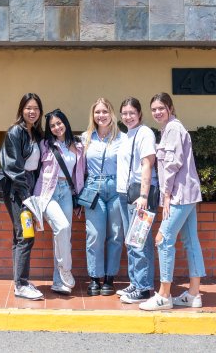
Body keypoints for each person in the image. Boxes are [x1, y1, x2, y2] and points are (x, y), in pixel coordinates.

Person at [140, 92, 206, 311]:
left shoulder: (173, 129)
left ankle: (164, 295)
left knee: (163, 239)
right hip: (187, 194)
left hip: (178, 195)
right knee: (190, 241)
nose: (157, 112)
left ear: (170, 108)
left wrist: (166, 196)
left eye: (161, 108)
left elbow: (172, 164)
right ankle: (194, 294)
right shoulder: (170, 128)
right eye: (154, 109)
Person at [34, 109, 85, 295]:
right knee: (62, 227)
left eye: (59, 123)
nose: (57, 127)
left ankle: (59, 282)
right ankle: (65, 269)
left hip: (67, 192)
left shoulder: (78, 145)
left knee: (63, 236)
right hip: (48, 193)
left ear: (66, 122)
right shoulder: (45, 144)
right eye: (53, 125)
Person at [0, 93, 44, 300]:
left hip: (29, 185)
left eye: (36, 108)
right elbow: (13, 167)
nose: (32, 111)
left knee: (21, 235)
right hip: (18, 188)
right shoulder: (15, 132)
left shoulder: (34, 133)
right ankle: (21, 284)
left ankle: (20, 281)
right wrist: (27, 196)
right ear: (21, 110)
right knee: (26, 235)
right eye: (28, 108)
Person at [81, 98, 125, 296]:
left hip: (116, 188)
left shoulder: (121, 138)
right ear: (93, 115)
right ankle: (94, 278)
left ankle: (109, 277)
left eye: (105, 111)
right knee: (95, 235)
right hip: (93, 188)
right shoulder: (85, 138)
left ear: (111, 114)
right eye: (97, 112)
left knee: (115, 235)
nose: (101, 115)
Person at [116, 97, 158, 304]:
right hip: (126, 194)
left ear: (140, 114)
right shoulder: (126, 135)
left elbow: (147, 164)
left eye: (132, 113)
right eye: (124, 113)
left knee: (139, 242)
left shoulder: (145, 133)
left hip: (140, 195)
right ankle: (136, 282)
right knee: (131, 241)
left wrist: (143, 195)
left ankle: (143, 289)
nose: (128, 116)